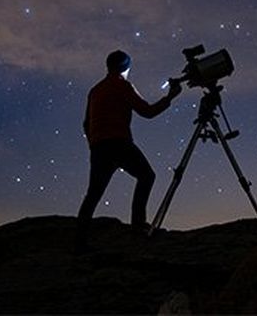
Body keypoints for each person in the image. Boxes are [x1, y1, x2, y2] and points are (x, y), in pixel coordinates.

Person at [76, 49, 182, 249]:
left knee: (93, 193)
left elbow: (85, 123)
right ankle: (138, 225)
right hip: (119, 143)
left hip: (99, 148)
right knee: (147, 176)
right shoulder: (123, 86)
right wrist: (170, 97)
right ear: (125, 68)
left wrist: (94, 143)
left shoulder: (95, 90)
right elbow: (147, 112)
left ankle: (79, 241)